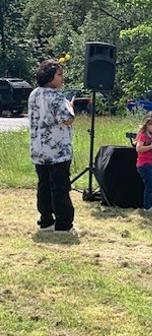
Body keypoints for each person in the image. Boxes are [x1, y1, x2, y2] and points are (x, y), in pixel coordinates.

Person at [28, 59, 76, 234]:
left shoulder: (34, 94)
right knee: (60, 187)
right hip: (57, 151)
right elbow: (67, 118)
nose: (62, 78)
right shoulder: (56, 96)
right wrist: (70, 107)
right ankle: (63, 224)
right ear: (50, 76)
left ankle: (46, 220)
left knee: (44, 186)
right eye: (60, 75)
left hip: (39, 149)